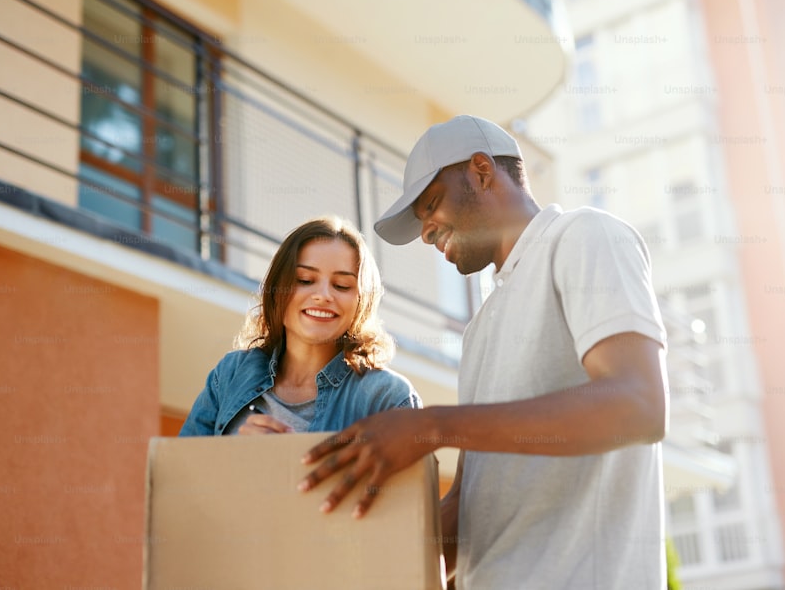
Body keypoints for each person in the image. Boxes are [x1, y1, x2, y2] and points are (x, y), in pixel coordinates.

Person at [298, 116, 668, 589]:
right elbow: (469, 516)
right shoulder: (479, 333)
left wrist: (431, 427)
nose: (427, 234)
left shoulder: (583, 236)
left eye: (431, 206)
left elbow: (639, 405)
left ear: (481, 171)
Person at [179, 216, 421, 437]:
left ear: (362, 302)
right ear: (277, 290)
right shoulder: (230, 374)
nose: (323, 295)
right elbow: (179, 474)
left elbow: (408, 485)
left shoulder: (389, 398)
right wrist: (236, 455)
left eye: (342, 285)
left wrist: (295, 461)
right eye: (305, 280)